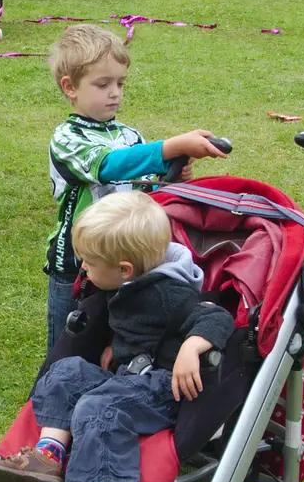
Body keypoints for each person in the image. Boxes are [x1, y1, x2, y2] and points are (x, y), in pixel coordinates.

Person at [0, 190, 234, 482]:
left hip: (163, 389)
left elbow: (217, 318)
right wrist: (120, 346)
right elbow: (138, 325)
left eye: (88, 262)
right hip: (128, 376)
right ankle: (48, 456)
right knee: (66, 371)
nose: (82, 267)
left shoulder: (168, 292)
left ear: (124, 270)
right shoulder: (125, 282)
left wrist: (192, 347)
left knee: (97, 406)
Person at [34, 24, 227, 351]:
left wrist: (171, 173)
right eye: (102, 84)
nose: (115, 93)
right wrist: (168, 147)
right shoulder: (67, 139)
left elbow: (144, 193)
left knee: (116, 337)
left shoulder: (129, 135)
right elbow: (108, 167)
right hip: (78, 264)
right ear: (70, 87)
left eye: (120, 83)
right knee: (69, 344)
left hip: (124, 262)